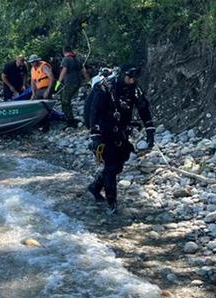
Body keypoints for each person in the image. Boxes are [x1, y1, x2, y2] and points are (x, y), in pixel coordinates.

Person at [86, 65, 154, 213]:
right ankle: (112, 205)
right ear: (122, 75)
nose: (132, 81)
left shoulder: (134, 89)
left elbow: (143, 108)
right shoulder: (106, 87)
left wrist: (150, 129)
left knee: (118, 166)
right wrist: (95, 135)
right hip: (104, 132)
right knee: (110, 167)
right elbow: (94, 112)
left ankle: (95, 187)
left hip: (121, 131)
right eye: (129, 77)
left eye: (134, 78)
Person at [57, 47, 89, 127]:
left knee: (65, 101)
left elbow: (64, 71)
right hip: (78, 83)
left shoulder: (66, 59)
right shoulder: (77, 60)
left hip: (70, 83)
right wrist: (89, 81)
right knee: (67, 99)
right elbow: (84, 71)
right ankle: (70, 118)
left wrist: (58, 83)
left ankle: (70, 120)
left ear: (64, 52)